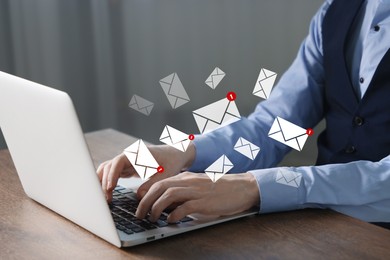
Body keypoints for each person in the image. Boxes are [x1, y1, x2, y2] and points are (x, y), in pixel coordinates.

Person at [97, 0, 390, 227]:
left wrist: (254, 187)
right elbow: (276, 125)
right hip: (319, 221)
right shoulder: (335, 12)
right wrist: (186, 152)